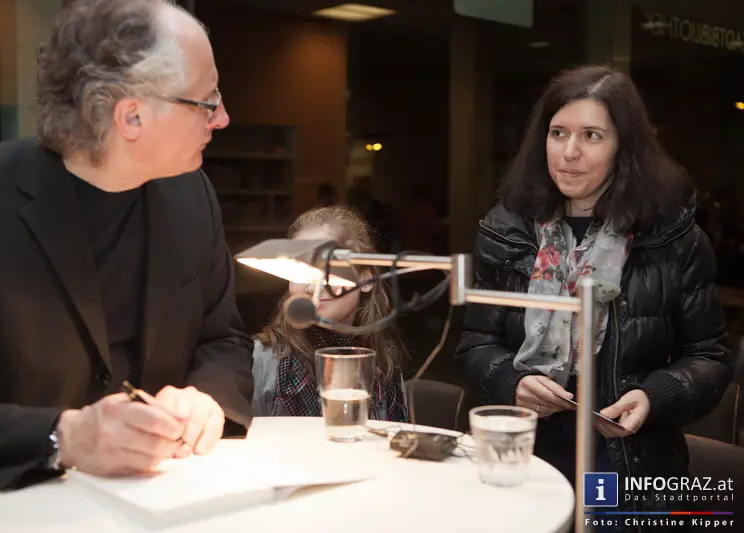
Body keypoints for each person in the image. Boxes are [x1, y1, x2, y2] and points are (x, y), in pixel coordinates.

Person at [0, 0, 254, 497]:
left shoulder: (191, 195)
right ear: (131, 117)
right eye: (207, 100)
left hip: (164, 499)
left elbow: (224, 340)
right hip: (8, 509)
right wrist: (63, 436)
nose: (222, 118)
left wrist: (208, 397)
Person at [454, 66, 731, 528]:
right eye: (557, 133)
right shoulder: (506, 232)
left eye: (592, 136)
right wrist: (510, 383)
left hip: (628, 464)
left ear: (625, 146)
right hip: (523, 453)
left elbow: (710, 357)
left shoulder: (672, 239)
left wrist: (654, 395)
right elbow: (475, 344)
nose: (569, 153)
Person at [251, 206, 408, 422]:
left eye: (330, 270)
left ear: (365, 280)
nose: (311, 287)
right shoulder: (264, 359)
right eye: (301, 271)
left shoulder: (383, 360)